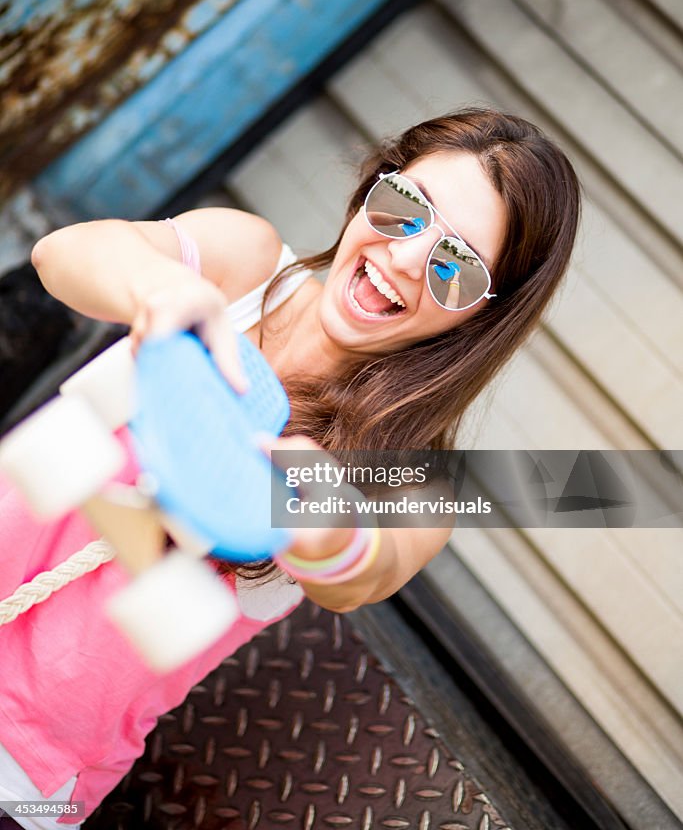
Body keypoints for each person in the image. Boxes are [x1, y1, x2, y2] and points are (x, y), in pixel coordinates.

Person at [0, 108, 581, 828]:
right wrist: (155, 288)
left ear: (482, 314)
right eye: (404, 208)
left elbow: (368, 570)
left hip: (30, 775)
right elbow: (66, 254)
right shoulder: (243, 265)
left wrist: (322, 519)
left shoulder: (414, 481)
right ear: (374, 184)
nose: (403, 258)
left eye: (454, 265)